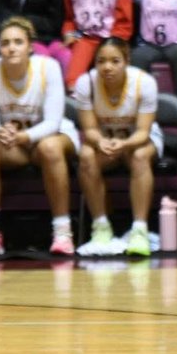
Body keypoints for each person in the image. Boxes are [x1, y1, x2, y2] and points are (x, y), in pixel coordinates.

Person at [0, 18, 80, 255]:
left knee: (50, 147)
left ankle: (62, 230)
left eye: (18, 42)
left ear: (30, 46)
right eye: (5, 43)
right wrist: (0, 132)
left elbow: (52, 122)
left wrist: (22, 136)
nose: (11, 48)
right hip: (15, 144)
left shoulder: (47, 67)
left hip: (51, 136)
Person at [73, 38, 162, 257]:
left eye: (115, 61)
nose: (107, 67)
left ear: (127, 61)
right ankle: (101, 226)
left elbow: (142, 132)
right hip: (105, 142)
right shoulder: (86, 83)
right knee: (86, 154)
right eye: (101, 61)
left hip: (139, 141)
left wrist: (124, 143)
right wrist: (99, 141)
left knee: (140, 156)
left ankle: (140, 229)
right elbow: (90, 128)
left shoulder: (145, 83)